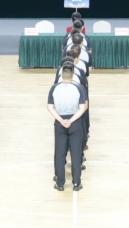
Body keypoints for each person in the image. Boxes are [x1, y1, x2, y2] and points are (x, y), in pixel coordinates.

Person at [48, 63, 87, 191]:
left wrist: (61, 120)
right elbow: (83, 107)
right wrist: (71, 120)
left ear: (61, 74)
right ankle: (76, 183)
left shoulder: (54, 88)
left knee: (60, 153)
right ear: (73, 74)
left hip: (60, 122)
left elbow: (50, 107)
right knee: (75, 153)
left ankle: (60, 183)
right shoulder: (79, 88)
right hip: (75, 122)